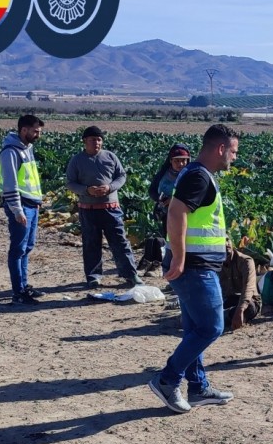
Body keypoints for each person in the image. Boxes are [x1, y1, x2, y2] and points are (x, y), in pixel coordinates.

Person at [147, 124, 241, 413]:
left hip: (197, 264)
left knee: (194, 328)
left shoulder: (196, 174)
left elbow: (195, 217)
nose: (234, 158)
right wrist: (178, 257)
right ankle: (167, 380)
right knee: (212, 326)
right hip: (194, 267)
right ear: (221, 149)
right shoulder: (199, 176)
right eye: (233, 152)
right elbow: (176, 213)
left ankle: (198, 387)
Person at [65, 126, 142, 288]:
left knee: (120, 242)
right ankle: (93, 276)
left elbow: (121, 176)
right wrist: (86, 190)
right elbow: (70, 182)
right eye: (93, 140)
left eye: (99, 139)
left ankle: (130, 275)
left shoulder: (110, 157)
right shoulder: (77, 160)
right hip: (88, 209)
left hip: (111, 208)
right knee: (91, 243)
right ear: (85, 141)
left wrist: (110, 187)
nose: (97, 143)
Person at [0, 114, 45, 305]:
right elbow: (10, 184)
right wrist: (17, 210)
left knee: (27, 248)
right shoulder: (11, 152)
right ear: (23, 130)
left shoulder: (27, 149)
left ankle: (24, 286)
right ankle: (18, 292)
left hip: (32, 205)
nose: (38, 135)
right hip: (22, 206)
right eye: (35, 131)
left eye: (39, 132)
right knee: (17, 249)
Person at [150, 143, 193, 234]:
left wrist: (174, 200)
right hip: (167, 214)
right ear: (170, 160)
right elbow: (152, 190)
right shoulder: (163, 174)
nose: (180, 164)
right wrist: (160, 199)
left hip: (186, 215)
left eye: (183, 161)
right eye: (176, 161)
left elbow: (193, 194)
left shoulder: (192, 176)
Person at [219, 244, 262, 332]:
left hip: (248, 301)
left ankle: (216, 317)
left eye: (227, 240)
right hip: (229, 299)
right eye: (222, 241)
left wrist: (240, 310)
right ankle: (217, 316)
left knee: (249, 308)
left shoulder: (245, 261)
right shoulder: (216, 263)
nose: (226, 244)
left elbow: (248, 288)